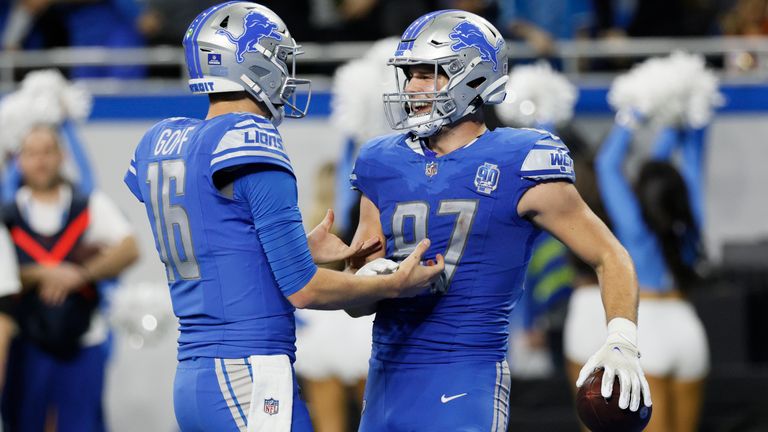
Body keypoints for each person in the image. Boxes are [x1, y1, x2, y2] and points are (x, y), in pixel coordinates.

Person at [123, 3, 444, 431]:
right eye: (279, 56)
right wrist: (393, 285)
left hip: (195, 375)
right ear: (250, 62)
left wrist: (297, 249)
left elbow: (214, 241)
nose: (287, 71)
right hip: (248, 372)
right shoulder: (248, 139)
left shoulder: (162, 139)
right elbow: (305, 289)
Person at [345, 10, 651, 431]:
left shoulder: (519, 159)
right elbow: (357, 303)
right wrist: (368, 279)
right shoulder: (380, 160)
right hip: (384, 377)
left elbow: (609, 255)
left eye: (428, 73)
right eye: (409, 74)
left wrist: (622, 339)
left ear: (474, 78)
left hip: (465, 377)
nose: (413, 87)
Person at [2, 125, 139, 432]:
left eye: (48, 151)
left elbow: (129, 248)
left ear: (62, 155)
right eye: (32, 153)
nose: (41, 161)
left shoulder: (88, 204)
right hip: (27, 344)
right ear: (19, 160)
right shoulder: (7, 215)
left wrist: (82, 274)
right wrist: (42, 274)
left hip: (83, 341)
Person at [581, 119, 710, 432]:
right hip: (688, 330)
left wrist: (632, 114)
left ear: (639, 194)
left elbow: (608, 165)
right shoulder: (689, 214)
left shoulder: (635, 229)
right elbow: (692, 162)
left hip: (647, 333)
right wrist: (691, 117)